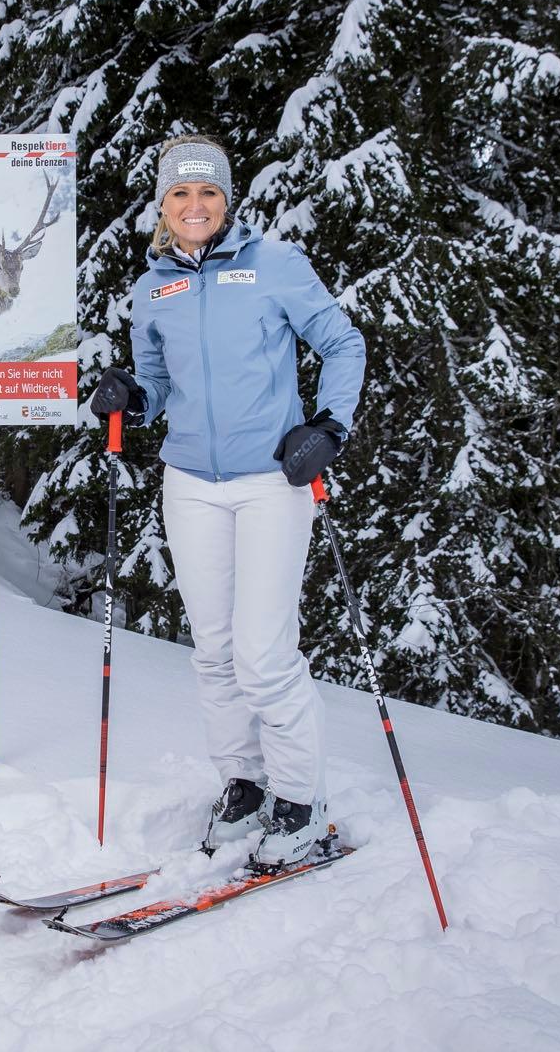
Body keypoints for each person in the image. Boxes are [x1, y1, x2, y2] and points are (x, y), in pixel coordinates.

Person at [88, 134, 366, 867]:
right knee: (212, 653)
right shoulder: (154, 288)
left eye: (208, 191)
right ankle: (244, 787)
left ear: (227, 198)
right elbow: (155, 384)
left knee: (264, 654)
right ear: (163, 205)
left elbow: (343, 344)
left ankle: (301, 802)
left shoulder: (272, 265)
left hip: (273, 480)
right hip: (191, 486)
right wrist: (129, 397)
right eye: (180, 193)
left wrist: (329, 427)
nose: (195, 205)